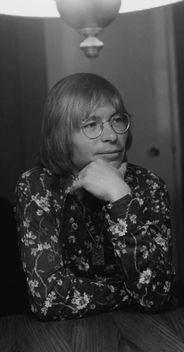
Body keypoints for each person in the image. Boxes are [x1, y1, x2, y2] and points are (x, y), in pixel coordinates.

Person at [15, 72, 175, 321]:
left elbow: (155, 296)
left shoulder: (148, 185)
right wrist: (128, 292)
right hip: (61, 343)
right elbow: (49, 299)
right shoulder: (38, 186)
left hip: (142, 331)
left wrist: (121, 197)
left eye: (117, 121)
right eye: (91, 125)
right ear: (61, 135)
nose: (112, 135)